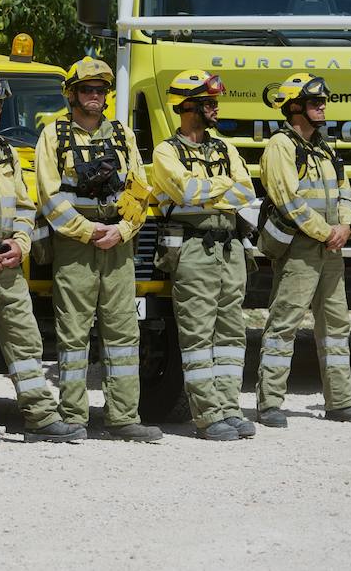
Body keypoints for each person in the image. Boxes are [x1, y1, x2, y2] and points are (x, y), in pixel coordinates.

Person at [0, 69, 84, 445]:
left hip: (8, 263)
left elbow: (25, 206)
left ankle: (41, 416)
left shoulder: (6, 151)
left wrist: (21, 244)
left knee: (27, 345)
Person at [36, 57, 162, 442]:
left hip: (118, 245)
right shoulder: (53, 134)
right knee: (73, 334)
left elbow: (140, 189)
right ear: (72, 94)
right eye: (88, 89)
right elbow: (49, 196)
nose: (95, 96)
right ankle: (73, 417)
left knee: (123, 331)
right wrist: (89, 231)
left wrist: (123, 230)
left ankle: (123, 417)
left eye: (101, 90)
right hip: (75, 246)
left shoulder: (123, 134)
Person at [256, 72, 351, 427]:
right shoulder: (281, 145)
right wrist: (328, 232)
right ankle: (270, 404)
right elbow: (287, 199)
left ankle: (340, 402)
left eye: (322, 101)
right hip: (301, 249)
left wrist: (346, 226)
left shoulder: (323, 146)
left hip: (330, 247)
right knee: (284, 322)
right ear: (294, 108)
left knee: (337, 323)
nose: (322, 107)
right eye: (314, 102)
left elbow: (344, 191)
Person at [148, 70, 256, 442]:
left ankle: (229, 408)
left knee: (231, 334)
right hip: (192, 249)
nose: (215, 108)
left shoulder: (225, 148)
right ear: (188, 105)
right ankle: (208, 416)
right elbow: (184, 192)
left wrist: (210, 189)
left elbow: (246, 193)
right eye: (209, 102)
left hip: (230, 248)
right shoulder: (166, 152)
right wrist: (222, 186)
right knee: (197, 336)